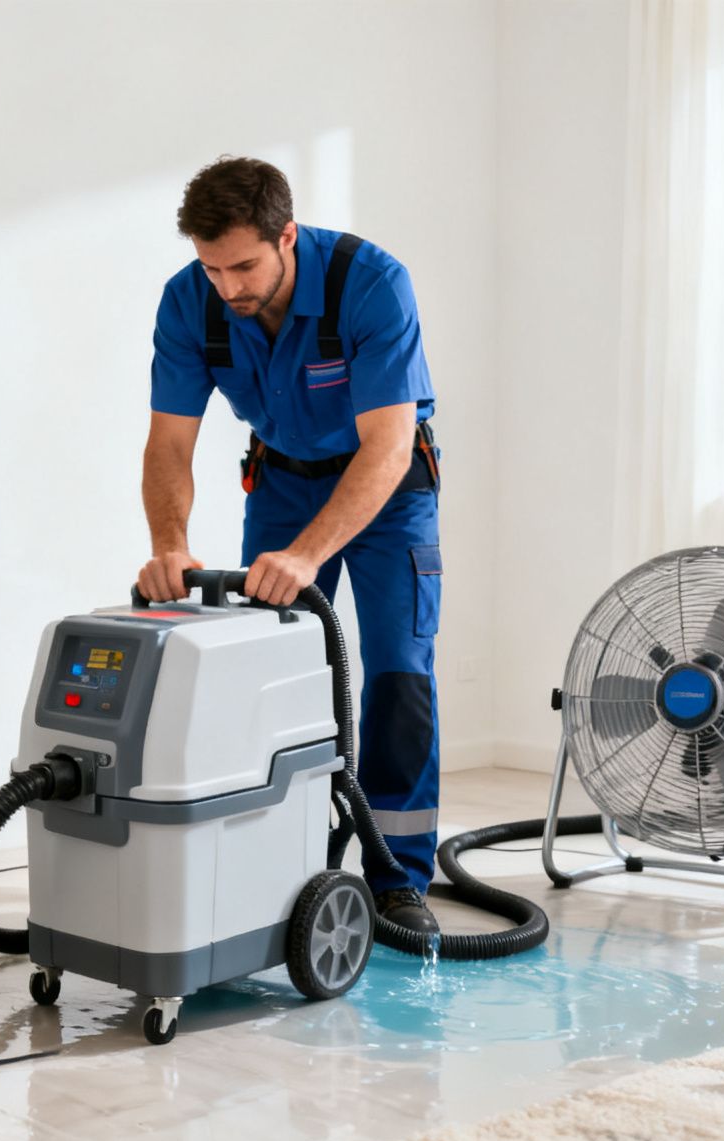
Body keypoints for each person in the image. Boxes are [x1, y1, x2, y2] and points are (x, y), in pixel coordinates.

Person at [134, 156, 444, 935]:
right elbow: (168, 444)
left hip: (387, 486)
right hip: (280, 481)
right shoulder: (190, 304)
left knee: (399, 672)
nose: (229, 288)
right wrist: (170, 545)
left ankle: (396, 875)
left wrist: (306, 557)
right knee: (264, 671)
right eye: (213, 269)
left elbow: (389, 445)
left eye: (244, 266)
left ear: (287, 236)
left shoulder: (369, 284)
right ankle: (276, 855)